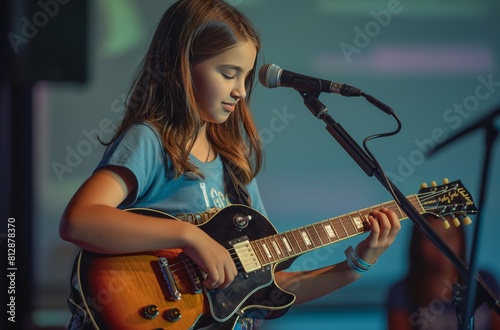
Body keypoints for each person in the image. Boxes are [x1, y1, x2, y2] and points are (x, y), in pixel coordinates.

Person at [59, 0, 401, 329]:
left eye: (245, 77)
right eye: (228, 73)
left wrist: (358, 264)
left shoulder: (235, 166)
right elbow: (79, 220)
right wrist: (189, 235)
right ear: (183, 65)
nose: (240, 91)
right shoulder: (150, 142)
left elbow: (269, 288)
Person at [386, 214, 500, 330]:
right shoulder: (401, 291)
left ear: (461, 238)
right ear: (418, 242)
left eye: (449, 236)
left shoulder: (483, 281)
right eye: (431, 238)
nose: (441, 246)